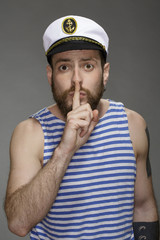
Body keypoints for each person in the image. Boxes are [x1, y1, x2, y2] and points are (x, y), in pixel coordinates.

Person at [5, 15, 159, 240]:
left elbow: (144, 208)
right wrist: (65, 150)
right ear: (50, 76)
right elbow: (19, 224)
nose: (76, 80)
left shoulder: (133, 125)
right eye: (64, 67)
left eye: (88, 65)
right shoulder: (30, 133)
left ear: (104, 73)